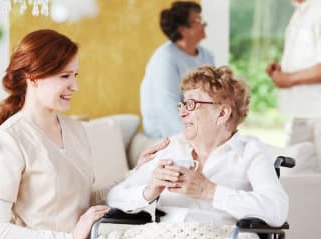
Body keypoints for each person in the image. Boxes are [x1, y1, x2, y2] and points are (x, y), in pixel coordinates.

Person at [0, 29, 168, 239]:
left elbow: (85, 201)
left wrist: (138, 173)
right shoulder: (8, 140)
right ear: (33, 77)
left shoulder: (76, 130)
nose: (75, 86)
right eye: (64, 76)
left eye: (75, 75)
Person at [108, 65, 289, 227]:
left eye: (191, 104)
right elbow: (114, 196)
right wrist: (150, 190)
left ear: (222, 113)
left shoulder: (250, 152)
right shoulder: (171, 148)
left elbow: (276, 209)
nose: (182, 113)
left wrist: (209, 191)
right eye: (183, 104)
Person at [140, 1, 215, 138]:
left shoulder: (207, 56)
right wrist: (190, 142)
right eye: (198, 20)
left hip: (198, 133)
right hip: (164, 136)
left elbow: (213, 98)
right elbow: (167, 110)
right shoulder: (165, 58)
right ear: (183, 30)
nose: (204, 24)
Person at [266, 0, 321, 145]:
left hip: (317, 113)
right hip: (301, 112)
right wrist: (283, 69)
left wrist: (289, 79)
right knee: (295, 166)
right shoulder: (299, 12)